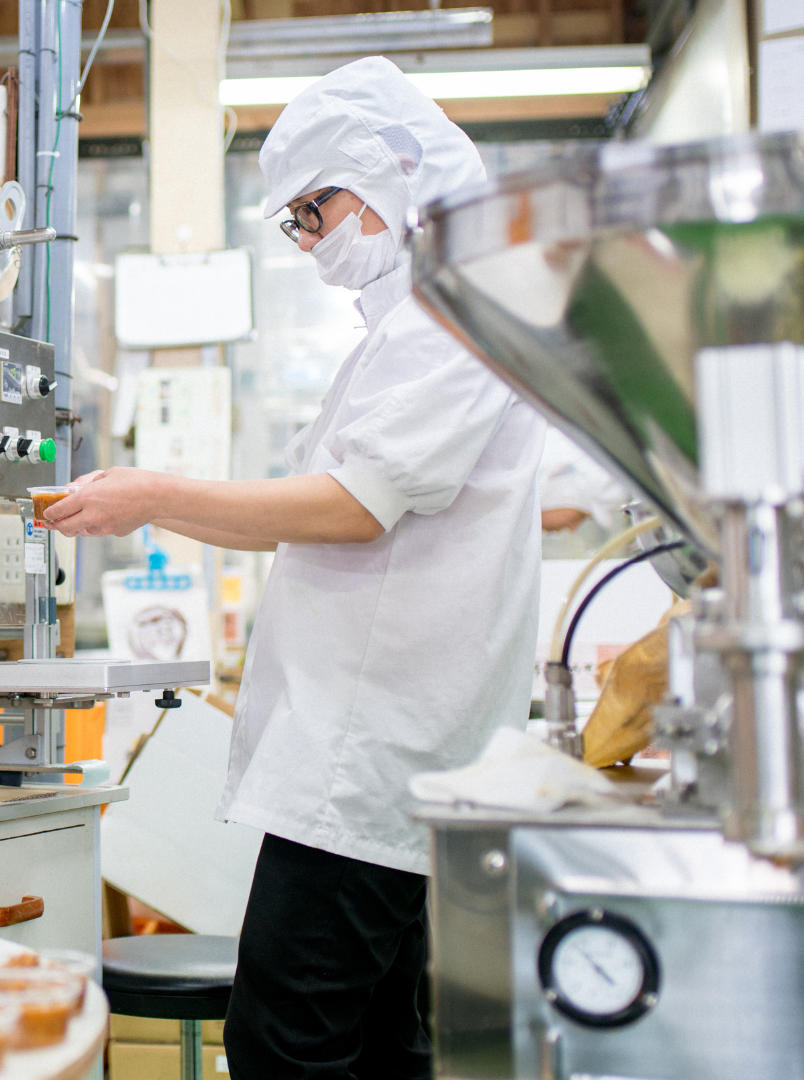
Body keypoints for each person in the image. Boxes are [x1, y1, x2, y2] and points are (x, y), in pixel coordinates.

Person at [41, 57, 544, 1078]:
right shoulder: (414, 326)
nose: (310, 243)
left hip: (375, 756)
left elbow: (352, 510)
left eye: (315, 212)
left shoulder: (450, 322)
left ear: (393, 172)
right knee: (375, 1046)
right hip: (387, 754)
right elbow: (340, 512)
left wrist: (157, 496)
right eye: (295, 225)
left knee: (287, 1046)